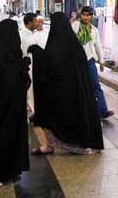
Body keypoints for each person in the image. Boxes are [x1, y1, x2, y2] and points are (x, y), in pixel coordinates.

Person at [30, 12, 104, 155]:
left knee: (48, 112)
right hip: (78, 95)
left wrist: (37, 53)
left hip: (62, 95)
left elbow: (50, 66)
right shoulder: (75, 46)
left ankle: (54, 145)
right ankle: (55, 145)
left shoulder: (55, 45)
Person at [0, 19, 30, 187]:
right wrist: (22, 67)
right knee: (1, 138)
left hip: (4, 109)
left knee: (6, 138)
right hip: (1, 109)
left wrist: (22, 66)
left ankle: (9, 171)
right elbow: (10, 80)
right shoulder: (4, 56)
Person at [73, 6, 114, 119]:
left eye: (88, 15)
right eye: (83, 15)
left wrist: (101, 61)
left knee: (95, 85)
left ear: (91, 16)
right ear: (81, 15)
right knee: (78, 86)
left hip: (90, 60)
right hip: (76, 61)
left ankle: (102, 111)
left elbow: (98, 46)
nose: (85, 17)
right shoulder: (76, 26)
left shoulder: (94, 30)